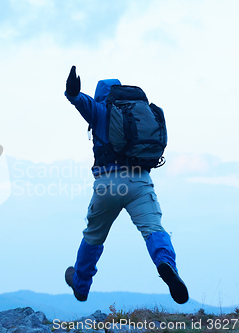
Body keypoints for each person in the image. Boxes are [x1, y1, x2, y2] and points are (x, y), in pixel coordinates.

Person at [63, 66, 189, 304]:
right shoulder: (139, 112)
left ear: (101, 95)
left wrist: (72, 92)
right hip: (140, 182)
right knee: (154, 229)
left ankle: (80, 284)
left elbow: (78, 100)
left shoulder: (101, 110)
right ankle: (165, 263)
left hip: (108, 184)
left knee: (93, 236)